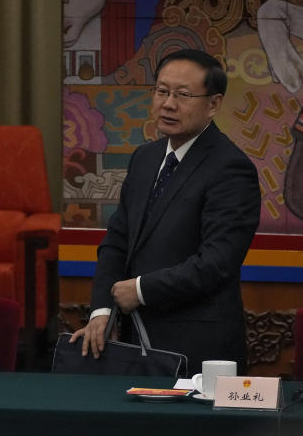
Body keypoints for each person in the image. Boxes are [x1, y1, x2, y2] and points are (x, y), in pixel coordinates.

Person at [70, 49, 261, 375]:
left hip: (197, 347)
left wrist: (141, 291)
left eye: (183, 95)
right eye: (162, 91)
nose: (168, 104)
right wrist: (101, 311)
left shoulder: (230, 168)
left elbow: (216, 263)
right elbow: (118, 240)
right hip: (133, 344)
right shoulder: (145, 158)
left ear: (213, 104)